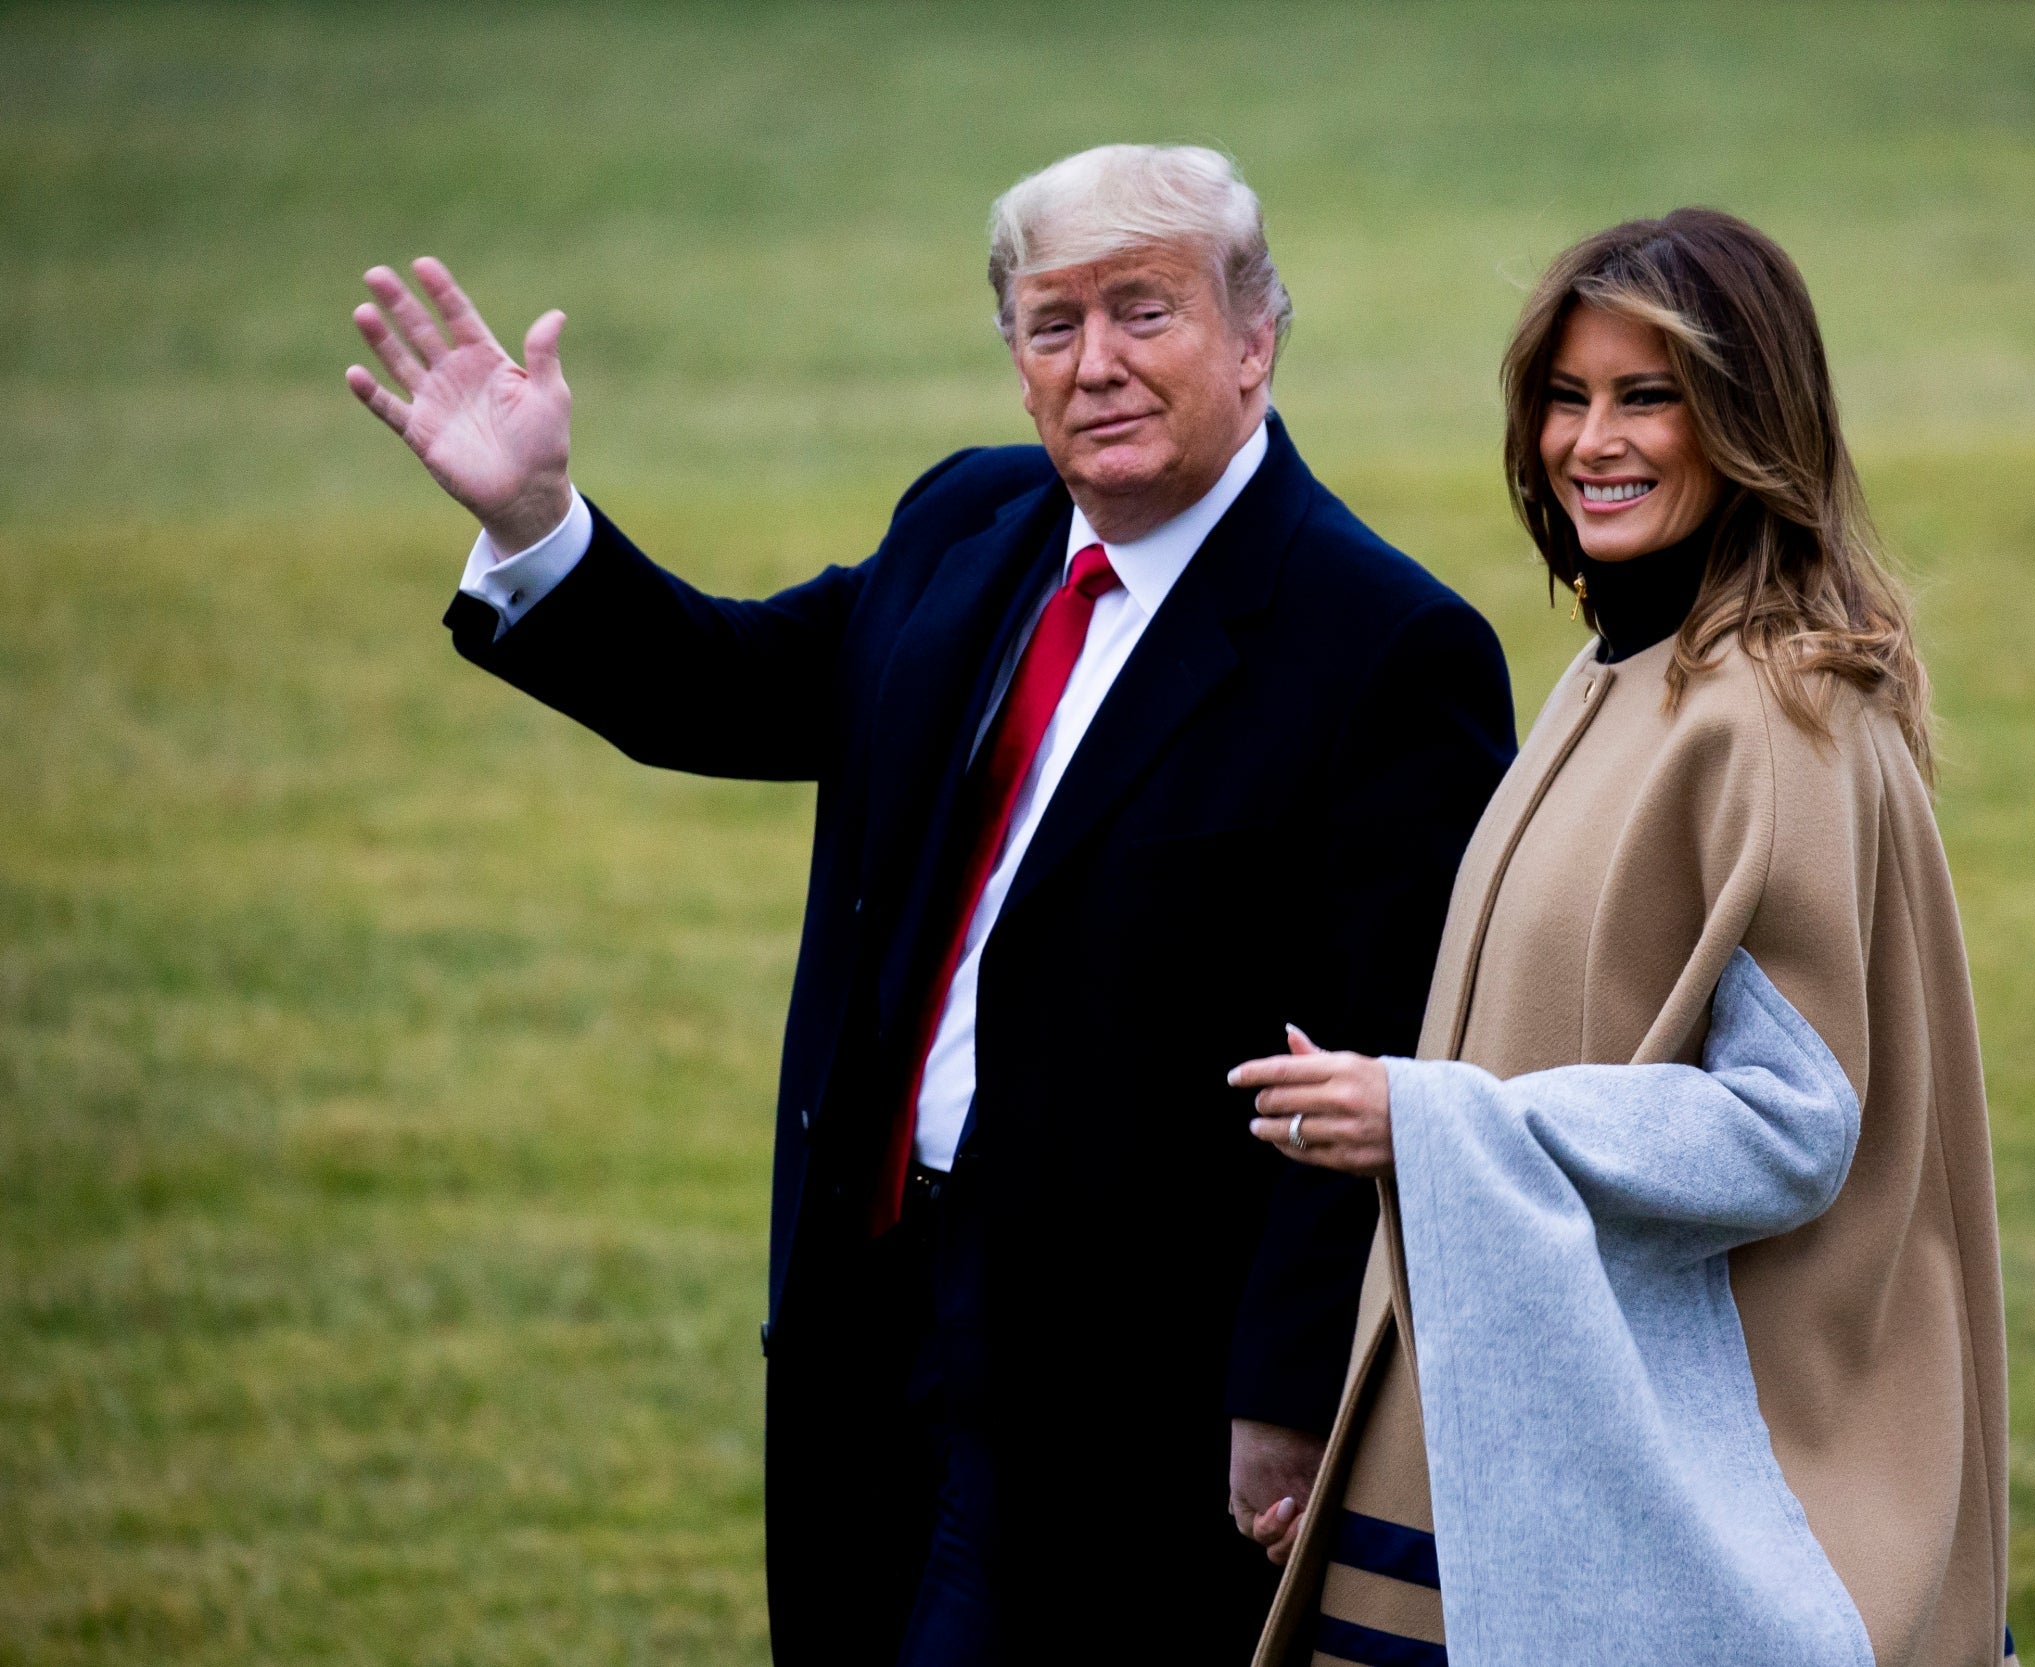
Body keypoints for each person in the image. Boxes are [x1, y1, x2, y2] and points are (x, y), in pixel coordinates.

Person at [342, 144, 1515, 1664]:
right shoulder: (972, 522)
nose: (1095, 363)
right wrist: (540, 521)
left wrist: (1284, 1395)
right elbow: (737, 686)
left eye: (1143, 312)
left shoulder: (1384, 646)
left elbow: (1375, 1049)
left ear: (1255, 335)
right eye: (1051, 323)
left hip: (1123, 1381)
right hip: (871, 1303)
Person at [1231, 210, 2013, 1667]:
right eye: (1567, 396)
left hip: (1673, 1484)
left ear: (1749, 420)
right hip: (1522, 1437)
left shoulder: (1779, 719)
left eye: (1647, 396)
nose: (1593, 438)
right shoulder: (1617, 671)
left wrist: (1424, 1115)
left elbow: (1790, 1130)